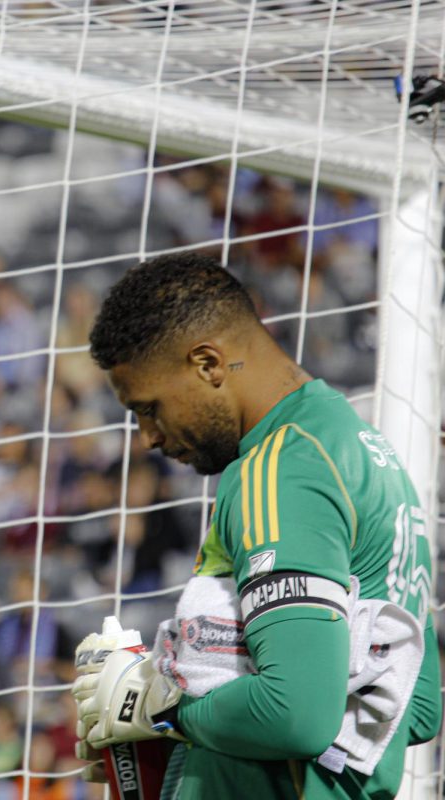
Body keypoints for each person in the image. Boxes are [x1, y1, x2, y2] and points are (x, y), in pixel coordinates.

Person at [74, 252, 441, 798]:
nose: (148, 437)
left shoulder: (279, 469)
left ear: (207, 364)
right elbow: (421, 705)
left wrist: (158, 706)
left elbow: (294, 715)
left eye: (148, 408)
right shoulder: (358, 446)